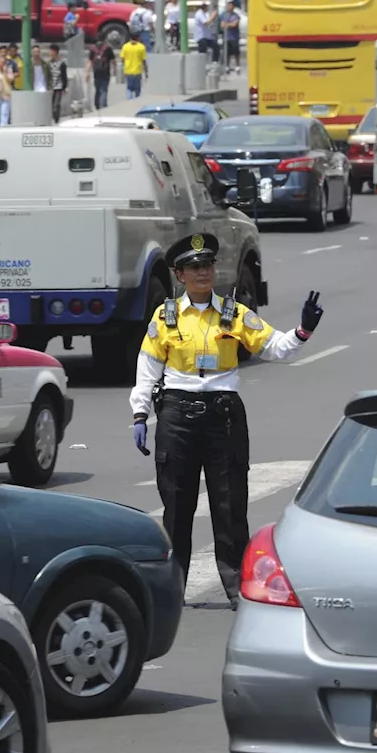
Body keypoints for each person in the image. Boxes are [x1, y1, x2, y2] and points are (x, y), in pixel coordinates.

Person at [129, 233, 325, 609]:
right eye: (194, 268)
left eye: (207, 266)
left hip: (224, 415)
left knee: (230, 503)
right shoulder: (165, 317)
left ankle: (237, 588)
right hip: (177, 414)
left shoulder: (233, 313)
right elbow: (147, 369)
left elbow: (274, 347)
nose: (203, 273)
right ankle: (173, 587)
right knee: (176, 505)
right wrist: (141, 412)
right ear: (179, 274)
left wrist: (303, 332)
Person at [120, 31, 148, 100]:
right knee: (137, 88)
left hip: (128, 70)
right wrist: (146, 72)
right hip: (137, 70)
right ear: (138, 38)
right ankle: (137, 100)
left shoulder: (125, 46)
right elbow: (143, 60)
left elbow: (122, 59)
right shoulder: (141, 47)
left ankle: (129, 100)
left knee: (129, 88)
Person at [48, 43, 69, 122]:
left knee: (56, 104)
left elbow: (64, 76)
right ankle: (52, 117)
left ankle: (56, 119)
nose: (50, 53)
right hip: (51, 87)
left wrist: (64, 87)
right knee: (51, 104)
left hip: (59, 87)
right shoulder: (49, 63)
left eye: (51, 51)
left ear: (55, 52)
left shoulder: (61, 63)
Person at [90, 40, 115, 109]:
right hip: (105, 72)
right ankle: (102, 104)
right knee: (104, 89)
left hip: (96, 72)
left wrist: (87, 72)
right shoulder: (107, 48)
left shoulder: (93, 49)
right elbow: (113, 60)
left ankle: (96, 104)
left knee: (97, 89)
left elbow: (90, 61)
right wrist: (114, 70)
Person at [221, 1, 242, 73]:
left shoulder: (236, 15)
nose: (229, 7)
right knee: (227, 52)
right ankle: (227, 66)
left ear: (233, 7)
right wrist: (229, 24)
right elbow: (222, 25)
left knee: (236, 52)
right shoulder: (224, 15)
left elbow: (234, 24)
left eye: (230, 5)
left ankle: (238, 66)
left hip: (234, 37)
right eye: (228, 5)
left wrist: (227, 24)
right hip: (227, 37)